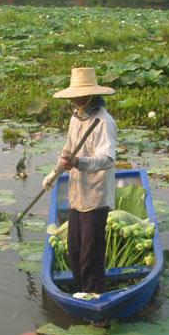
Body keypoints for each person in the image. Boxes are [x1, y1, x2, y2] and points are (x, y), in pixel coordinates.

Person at [43, 67, 116, 294]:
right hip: (76, 193)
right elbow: (67, 152)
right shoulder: (75, 118)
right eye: (72, 95)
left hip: (95, 195)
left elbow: (107, 159)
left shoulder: (103, 121)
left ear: (91, 94)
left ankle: (95, 296)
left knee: (90, 252)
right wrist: (54, 174)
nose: (74, 99)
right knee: (74, 249)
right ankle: (80, 291)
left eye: (78, 94)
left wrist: (79, 163)